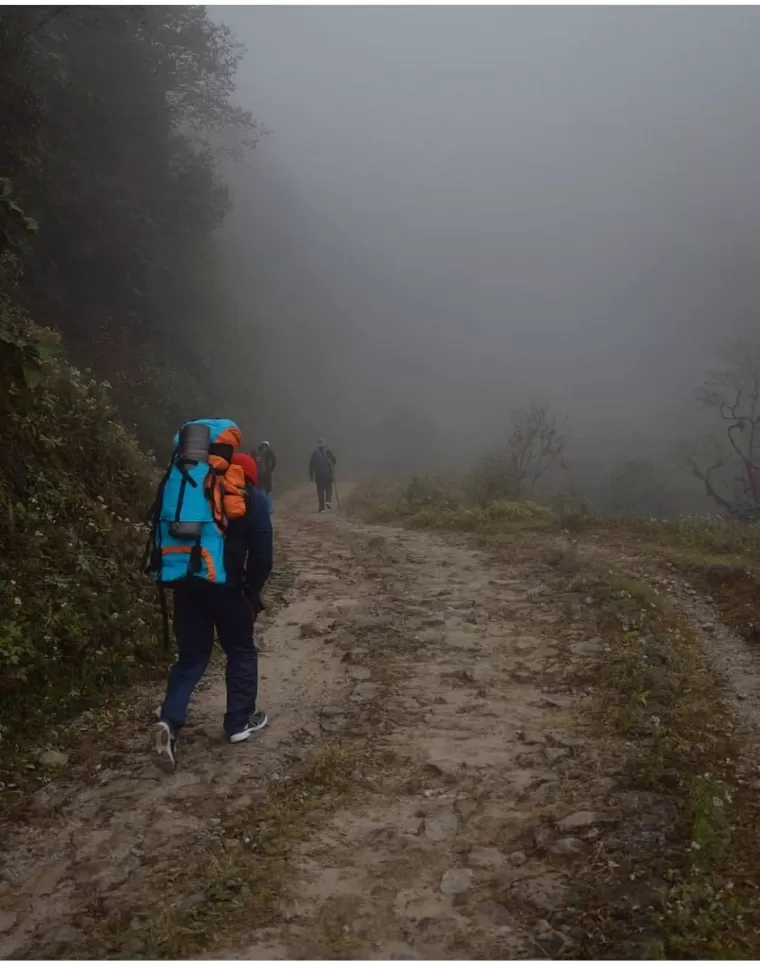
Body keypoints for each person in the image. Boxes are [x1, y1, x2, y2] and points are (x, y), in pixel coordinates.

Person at [152, 451, 273, 773]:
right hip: (228, 588)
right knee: (241, 650)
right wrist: (252, 590)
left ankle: (169, 721)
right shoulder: (253, 499)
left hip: (186, 584)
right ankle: (238, 722)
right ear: (250, 475)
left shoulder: (193, 492)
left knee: (191, 658)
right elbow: (262, 555)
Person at [309, 437, 337, 512]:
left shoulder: (315, 454)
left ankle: (321, 508)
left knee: (320, 490)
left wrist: (311, 476)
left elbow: (311, 465)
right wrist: (333, 457)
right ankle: (328, 501)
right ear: (325, 445)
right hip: (328, 475)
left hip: (319, 476)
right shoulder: (328, 452)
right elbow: (334, 462)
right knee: (329, 488)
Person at [254, 441, 277, 515]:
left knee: (259, 490)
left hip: (259, 474)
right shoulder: (269, 452)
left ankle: (260, 507)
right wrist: (271, 469)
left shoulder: (257, 453)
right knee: (268, 491)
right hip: (267, 474)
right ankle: (269, 509)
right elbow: (274, 460)